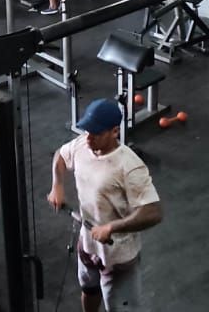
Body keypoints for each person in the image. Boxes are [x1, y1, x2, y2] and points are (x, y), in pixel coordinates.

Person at [48, 99, 163, 312]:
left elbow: (153, 213)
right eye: (87, 131)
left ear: (114, 132)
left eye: (96, 133)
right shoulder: (82, 144)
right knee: (89, 289)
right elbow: (60, 156)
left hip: (118, 254)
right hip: (87, 242)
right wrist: (57, 185)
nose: (88, 137)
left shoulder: (129, 166)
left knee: (119, 308)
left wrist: (111, 227)